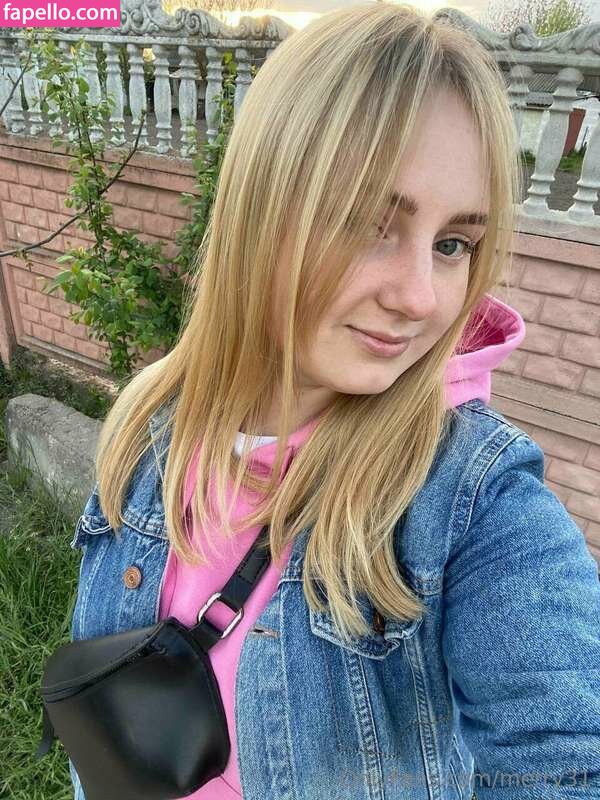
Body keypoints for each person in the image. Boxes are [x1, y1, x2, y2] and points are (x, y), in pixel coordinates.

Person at [65, 3, 600, 799]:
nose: (421, 297)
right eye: (368, 224)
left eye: (453, 244)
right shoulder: (156, 422)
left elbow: (566, 761)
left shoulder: (473, 507)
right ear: (261, 211)